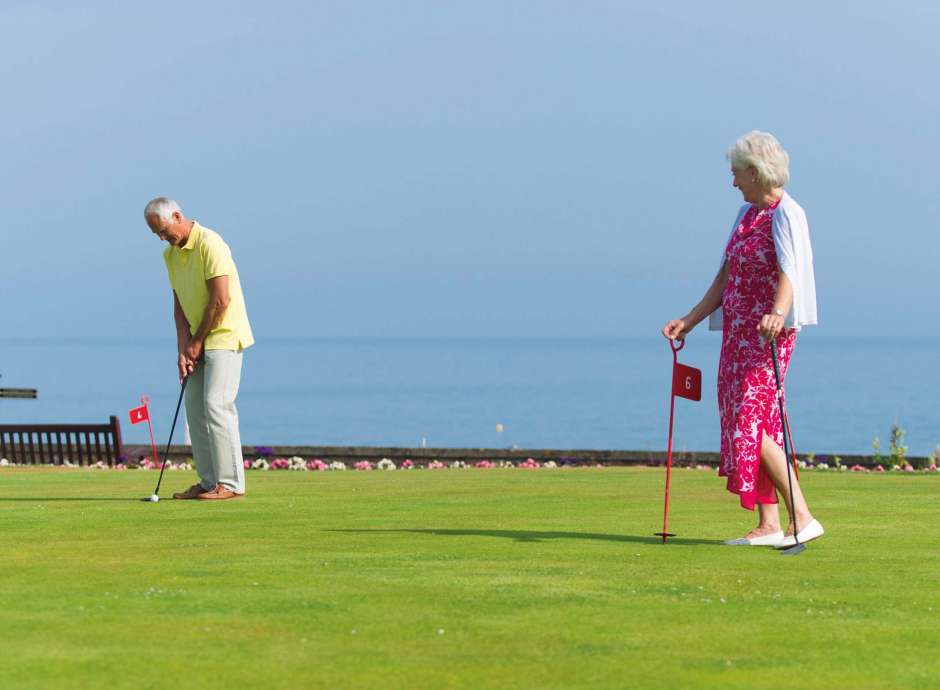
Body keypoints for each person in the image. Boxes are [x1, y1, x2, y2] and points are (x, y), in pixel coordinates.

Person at [661, 131, 823, 548]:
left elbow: (791, 271)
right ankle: (769, 524)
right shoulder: (745, 215)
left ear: (756, 172)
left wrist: (777, 312)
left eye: (737, 174)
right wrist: (691, 319)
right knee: (753, 421)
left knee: (747, 423)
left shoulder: (787, 213)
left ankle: (802, 515)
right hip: (737, 334)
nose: (733, 183)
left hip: (769, 333)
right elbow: (725, 275)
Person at [144, 197, 254, 500]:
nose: (163, 238)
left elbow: (221, 300)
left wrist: (196, 342)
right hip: (197, 339)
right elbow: (179, 304)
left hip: (224, 336)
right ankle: (208, 482)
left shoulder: (211, 243)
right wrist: (183, 348)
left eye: (164, 231)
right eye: (157, 235)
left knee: (217, 405)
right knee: (195, 410)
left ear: (178, 215)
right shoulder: (171, 255)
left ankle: (230, 484)